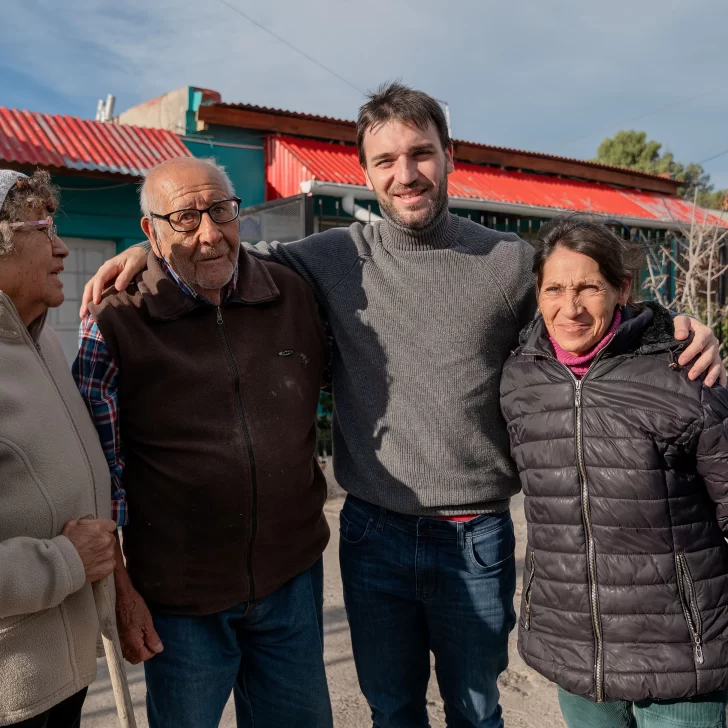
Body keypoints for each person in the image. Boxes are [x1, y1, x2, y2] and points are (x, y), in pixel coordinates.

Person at [79, 83, 725, 728]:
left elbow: (581, 307)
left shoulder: (504, 262)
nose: (405, 174)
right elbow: (220, 254)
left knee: (477, 712)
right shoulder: (332, 257)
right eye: (386, 161)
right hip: (372, 534)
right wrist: (150, 251)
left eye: (420, 154)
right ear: (365, 172)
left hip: (475, 536)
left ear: (450, 155)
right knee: (391, 712)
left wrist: (672, 329)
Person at [73, 157, 332, 728]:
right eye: (185, 218)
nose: (211, 233)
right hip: (180, 599)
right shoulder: (117, 318)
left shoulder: (290, 293)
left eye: (221, 211)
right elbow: (95, 476)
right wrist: (120, 587)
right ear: (151, 231)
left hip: (291, 580)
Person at [500, 215, 728, 728]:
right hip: (578, 658)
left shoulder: (685, 372)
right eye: (554, 288)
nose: (570, 307)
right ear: (537, 293)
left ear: (622, 288)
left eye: (589, 287)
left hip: (682, 665)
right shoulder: (519, 380)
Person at [0, 169, 116, 728]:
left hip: (59, 677)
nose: (62, 246)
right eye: (42, 227)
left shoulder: (37, 333)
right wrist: (65, 562)